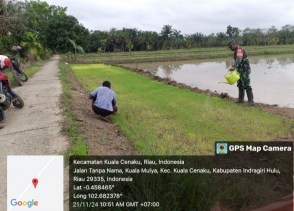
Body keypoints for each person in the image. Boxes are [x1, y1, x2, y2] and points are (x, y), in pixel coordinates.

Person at [227, 40, 254, 106]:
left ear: (234, 44)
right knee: (240, 84)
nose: (230, 48)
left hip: (245, 70)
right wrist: (235, 68)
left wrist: (234, 66)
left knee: (246, 84)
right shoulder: (236, 51)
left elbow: (239, 59)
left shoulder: (239, 50)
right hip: (239, 70)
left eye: (230, 47)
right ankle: (240, 99)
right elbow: (237, 60)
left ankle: (251, 101)